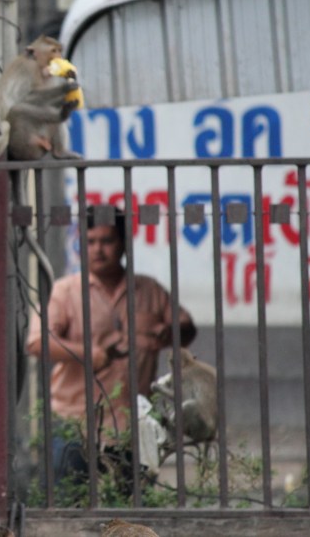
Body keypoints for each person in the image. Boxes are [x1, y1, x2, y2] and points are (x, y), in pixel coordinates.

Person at [25, 205, 197, 499]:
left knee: (131, 511)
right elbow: (37, 341)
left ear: (123, 244)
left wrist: (172, 330)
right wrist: (88, 353)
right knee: (69, 508)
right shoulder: (66, 291)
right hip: (75, 425)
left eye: (106, 241)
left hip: (133, 427)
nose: (98, 250)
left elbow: (187, 327)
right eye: (90, 242)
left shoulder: (147, 290)